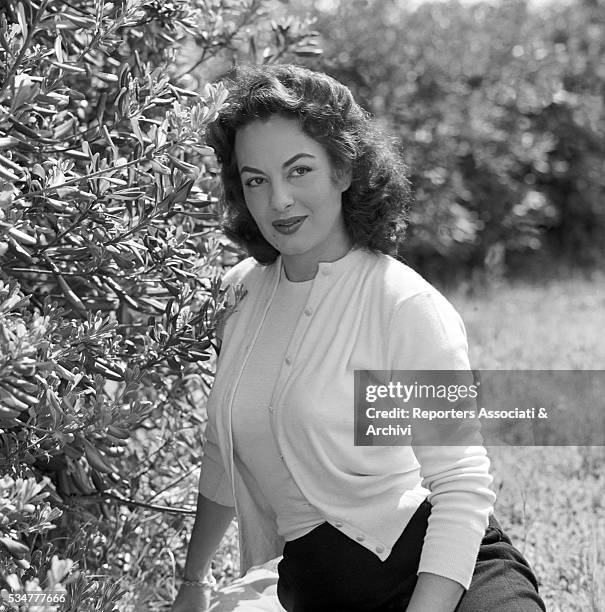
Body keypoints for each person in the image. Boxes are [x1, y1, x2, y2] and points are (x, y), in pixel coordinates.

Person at [171, 64, 546, 612]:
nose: (279, 201)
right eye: (256, 180)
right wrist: (193, 582)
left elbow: (461, 483)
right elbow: (223, 452)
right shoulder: (239, 297)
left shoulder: (403, 306)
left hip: (445, 579)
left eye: (299, 170)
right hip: (317, 589)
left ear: (343, 169)